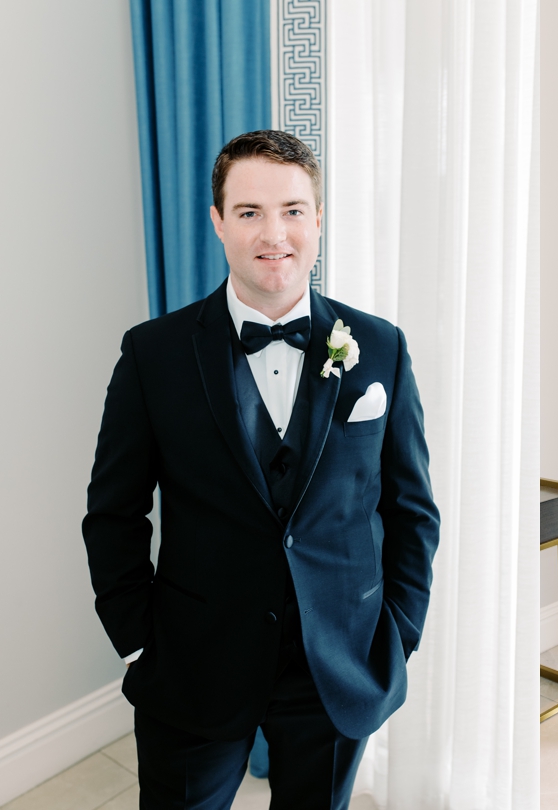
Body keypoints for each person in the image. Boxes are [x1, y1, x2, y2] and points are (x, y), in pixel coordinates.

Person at [82, 129, 439, 807]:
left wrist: (400, 630)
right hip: (192, 661)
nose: (274, 233)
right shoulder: (152, 354)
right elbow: (113, 512)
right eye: (249, 212)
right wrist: (137, 644)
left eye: (293, 210)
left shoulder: (381, 348)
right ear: (218, 222)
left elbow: (411, 508)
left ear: (318, 220)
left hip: (339, 659)